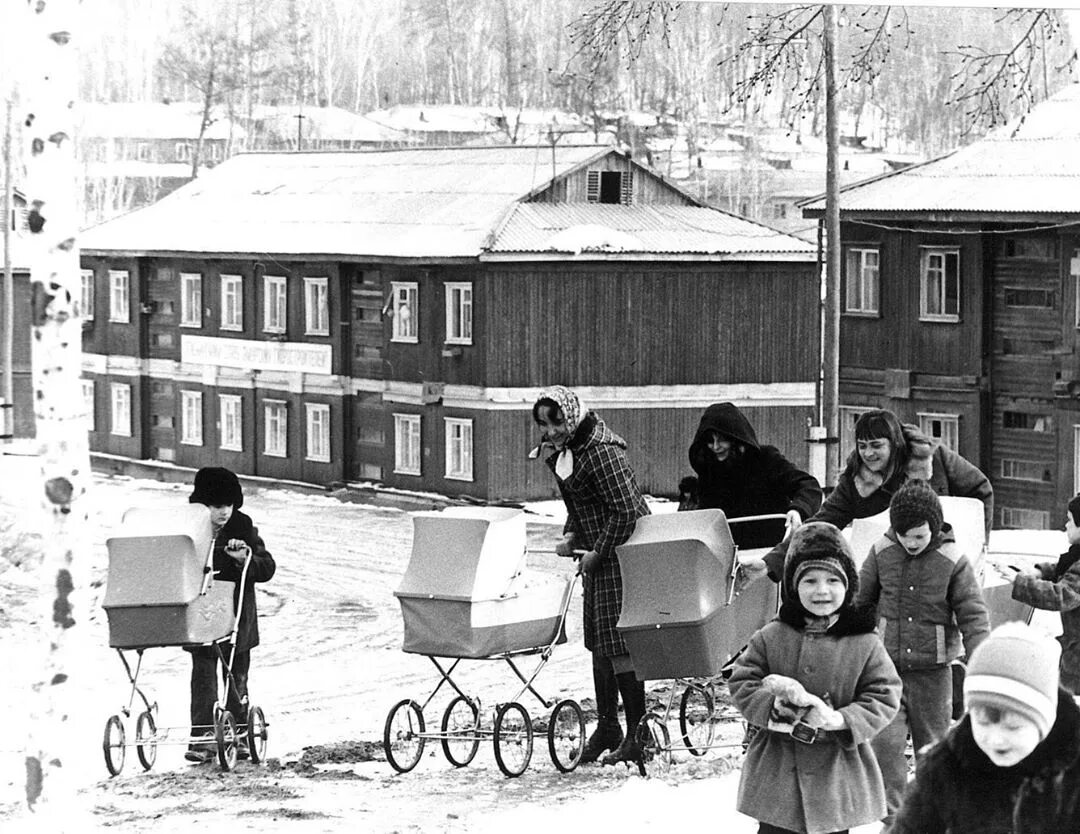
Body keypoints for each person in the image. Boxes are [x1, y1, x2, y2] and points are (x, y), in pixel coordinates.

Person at [728, 521, 901, 834]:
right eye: (810, 580)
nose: (822, 590)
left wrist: (840, 719)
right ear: (794, 586)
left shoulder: (864, 642)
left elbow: (884, 694)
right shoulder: (772, 635)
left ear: (848, 586)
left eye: (833, 580)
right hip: (779, 776)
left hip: (835, 776)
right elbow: (742, 681)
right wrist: (774, 708)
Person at [856, 478, 990, 824]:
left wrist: (982, 662)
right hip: (887, 673)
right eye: (903, 535)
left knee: (933, 752)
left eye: (919, 535)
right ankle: (894, 822)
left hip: (934, 676)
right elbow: (859, 603)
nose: (910, 543)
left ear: (934, 526)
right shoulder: (881, 551)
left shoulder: (952, 559)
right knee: (884, 749)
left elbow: (973, 615)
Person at [531, 385, 650, 765]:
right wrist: (572, 534)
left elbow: (627, 511)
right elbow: (583, 503)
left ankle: (637, 733)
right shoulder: (571, 453)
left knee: (620, 645)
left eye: (556, 422)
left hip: (624, 554)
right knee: (599, 644)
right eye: (544, 425)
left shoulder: (601, 452)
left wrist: (597, 551)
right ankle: (608, 727)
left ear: (573, 416)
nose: (551, 432)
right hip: (599, 553)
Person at [752, 408, 993, 584]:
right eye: (862, 445)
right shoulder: (855, 482)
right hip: (887, 573)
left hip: (939, 567)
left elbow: (981, 489)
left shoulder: (935, 459)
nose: (868, 453)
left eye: (876, 445)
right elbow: (820, 525)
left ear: (895, 444)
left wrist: (977, 547)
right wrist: (769, 562)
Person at [892, 621, 1080, 834]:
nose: (996, 738)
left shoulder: (1072, 773)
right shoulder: (945, 769)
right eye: (983, 722)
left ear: (1044, 722)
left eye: (1014, 727)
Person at [184, 467, 277, 763]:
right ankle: (202, 736)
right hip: (202, 615)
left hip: (238, 618)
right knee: (203, 675)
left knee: (236, 676)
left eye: (227, 505)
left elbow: (267, 568)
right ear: (202, 506)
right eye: (215, 506)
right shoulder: (189, 531)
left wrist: (245, 559)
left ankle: (238, 731)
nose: (223, 512)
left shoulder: (243, 528)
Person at [682, 402, 822, 548]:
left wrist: (798, 511)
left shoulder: (766, 460)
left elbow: (808, 485)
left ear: (736, 438)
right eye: (710, 441)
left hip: (772, 554)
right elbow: (707, 517)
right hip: (729, 558)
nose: (716, 447)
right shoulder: (710, 473)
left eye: (722, 439)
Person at [1011, 493, 1080, 695]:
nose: (1065, 526)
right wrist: (1041, 571)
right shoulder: (1075, 557)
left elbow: (1061, 595)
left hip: (1077, 661)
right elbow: (1064, 571)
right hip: (1074, 653)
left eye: (1070, 520)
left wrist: (1019, 582)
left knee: (1071, 708)